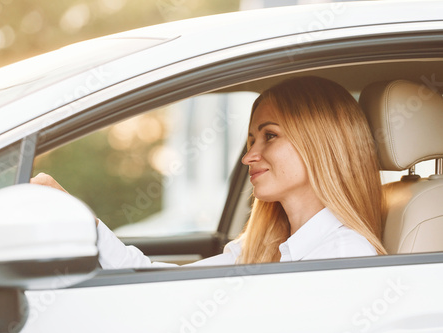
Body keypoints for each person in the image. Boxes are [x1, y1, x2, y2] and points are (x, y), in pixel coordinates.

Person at [31, 76, 387, 269]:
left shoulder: (344, 258)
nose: (250, 156)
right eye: (251, 139)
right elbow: (170, 287)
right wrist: (85, 224)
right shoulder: (265, 244)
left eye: (270, 136)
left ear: (319, 144)